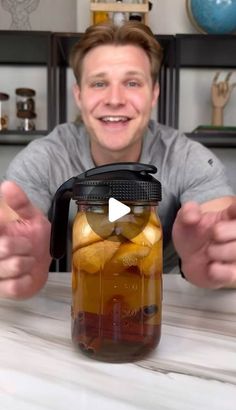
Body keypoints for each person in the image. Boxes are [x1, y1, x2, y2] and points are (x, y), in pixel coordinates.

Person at [1, 21, 236, 299]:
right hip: (83, 297)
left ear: (154, 94)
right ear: (79, 95)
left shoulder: (187, 157)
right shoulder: (46, 156)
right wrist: (15, 257)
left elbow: (220, 228)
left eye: (132, 82)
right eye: (99, 83)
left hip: (162, 301)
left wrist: (215, 263)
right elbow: (9, 224)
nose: (114, 99)